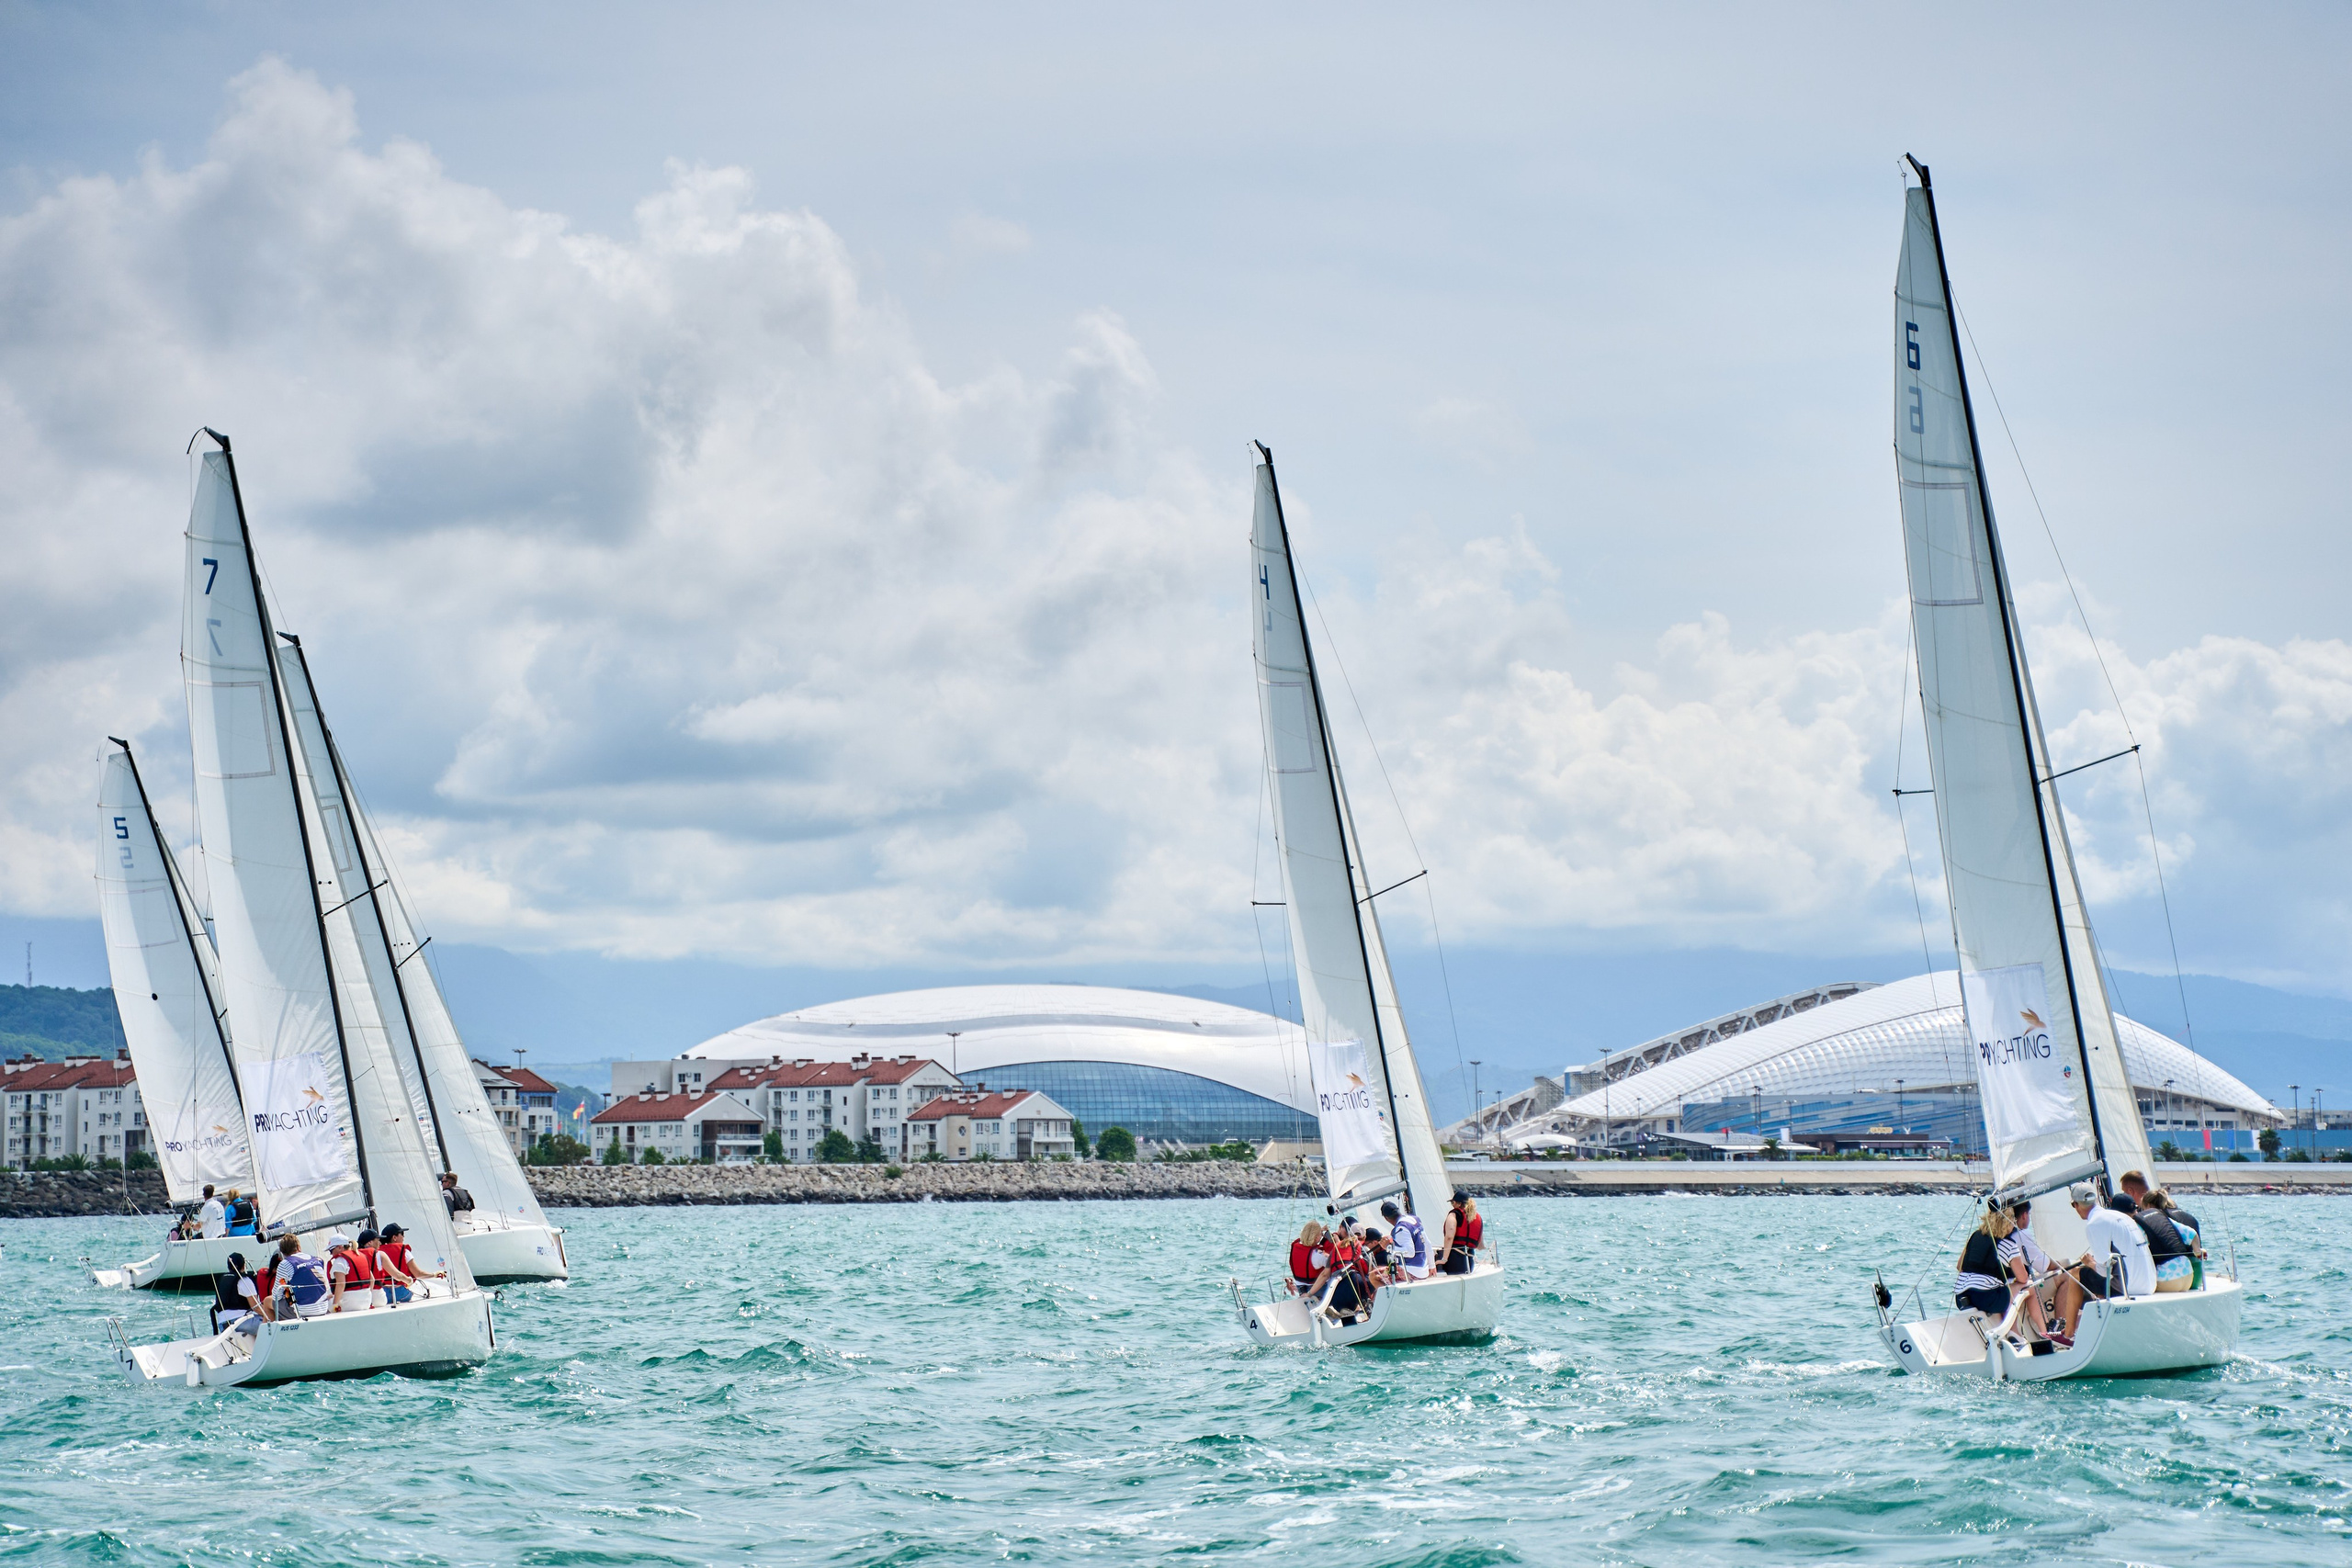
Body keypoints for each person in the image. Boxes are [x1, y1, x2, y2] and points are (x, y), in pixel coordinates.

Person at [1996, 1200, 2067, 1348]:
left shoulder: (1997, 1236)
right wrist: (2065, 1265)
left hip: (2001, 1288)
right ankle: (2058, 1328)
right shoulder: (2021, 1235)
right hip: (2016, 1289)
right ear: (2024, 1215)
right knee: (2067, 1274)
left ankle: (2047, 1328)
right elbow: (2044, 1266)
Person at [2079, 1187, 2156, 1299]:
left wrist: (2090, 1263)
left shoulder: (2094, 1223)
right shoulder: (2126, 1219)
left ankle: (2067, 1312)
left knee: (2076, 1274)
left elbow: (2103, 1271)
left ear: (2077, 1205)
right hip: (2150, 1285)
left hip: (2129, 1288)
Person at [1953, 1201, 2015, 1318]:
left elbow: (1959, 1266)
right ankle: (2012, 1327)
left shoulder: (1975, 1235)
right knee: (2024, 1286)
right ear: (2008, 1221)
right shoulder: (2008, 1244)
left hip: (1962, 1296)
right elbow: (2023, 1277)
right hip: (1986, 1299)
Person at [2130, 1194, 2196, 1292]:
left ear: (2148, 1206)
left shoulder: (2137, 1223)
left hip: (2167, 1280)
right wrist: (2198, 1250)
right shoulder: (2164, 1217)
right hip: (2189, 1276)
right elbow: (2192, 1233)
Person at [271, 1235, 335, 1320]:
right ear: (298, 1247)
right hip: (323, 1308)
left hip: (303, 1311)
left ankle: (276, 1327)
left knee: (269, 1301)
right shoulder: (318, 1260)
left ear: (282, 1252)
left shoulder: (285, 1264)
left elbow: (276, 1295)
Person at [379, 1222, 442, 1297]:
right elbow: (418, 1274)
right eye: (402, 1234)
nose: (403, 1237)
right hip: (399, 1293)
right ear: (394, 1238)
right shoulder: (405, 1252)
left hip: (382, 1293)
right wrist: (434, 1275)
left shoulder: (377, 1253)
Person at [209, 1251, 266, 1335]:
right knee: (271, 1322)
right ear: (243, 1266)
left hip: (222, 1325)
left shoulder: (222, 1280)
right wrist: (273, 1314)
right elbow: (256, 1308)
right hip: (240, 1323)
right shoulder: (245, 1280)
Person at [1381, 1201, 1432, 1282]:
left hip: (1410, 1272)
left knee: (1375, 1276)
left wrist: (1388, 1247)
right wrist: (1432, 1266)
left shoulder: (1401, 1229)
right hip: (1424, 1270)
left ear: (1386, 1218)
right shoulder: (1415, 1219)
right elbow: (1427, 1243)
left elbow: (1410, 1252)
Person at [1442, 1193, 1483, 1275]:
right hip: (1470, 1259)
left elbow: (1449, 1237)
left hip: (1455, 1258)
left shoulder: (1453, 1215)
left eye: (1453, 1203)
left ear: (1459, 1204)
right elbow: (1480, 1246)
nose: (1452, 1205)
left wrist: (1444, 1259)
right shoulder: (1477, 1217)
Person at [1289, 1221, 1326, 1294]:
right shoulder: (1317, 1255)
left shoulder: (1295, 1248)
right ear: (1316, 1238)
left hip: (1300, 1286)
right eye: (1320, 1234)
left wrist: (1320, 1231)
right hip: (1315, 1289)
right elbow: (1332, 1264)